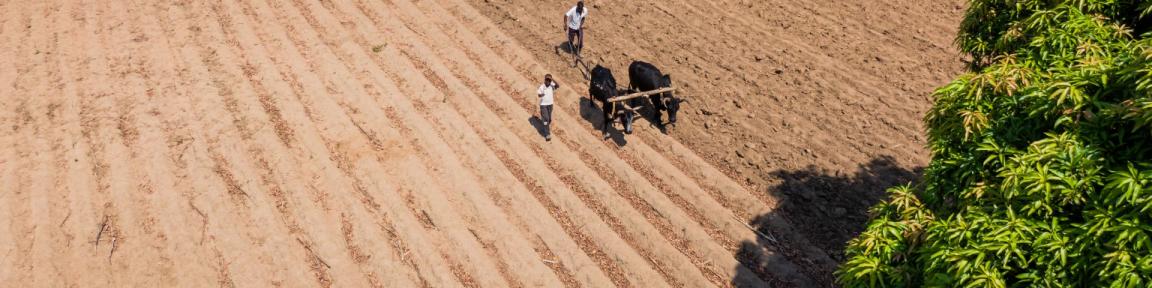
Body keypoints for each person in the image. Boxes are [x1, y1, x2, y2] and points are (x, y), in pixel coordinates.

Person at [537, 74, 560, 141]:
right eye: (547, 79)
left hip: (550, 105)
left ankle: (545, 125)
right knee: (546, 119)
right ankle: (547, 134)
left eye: (549, 80)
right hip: (543, 105)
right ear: (545, 80)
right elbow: (538, 95)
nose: (548, 81)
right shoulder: (542, 87)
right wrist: (541, 94)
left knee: (549, 119)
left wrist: (552, 79)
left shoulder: (551, 86)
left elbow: (558, 86)